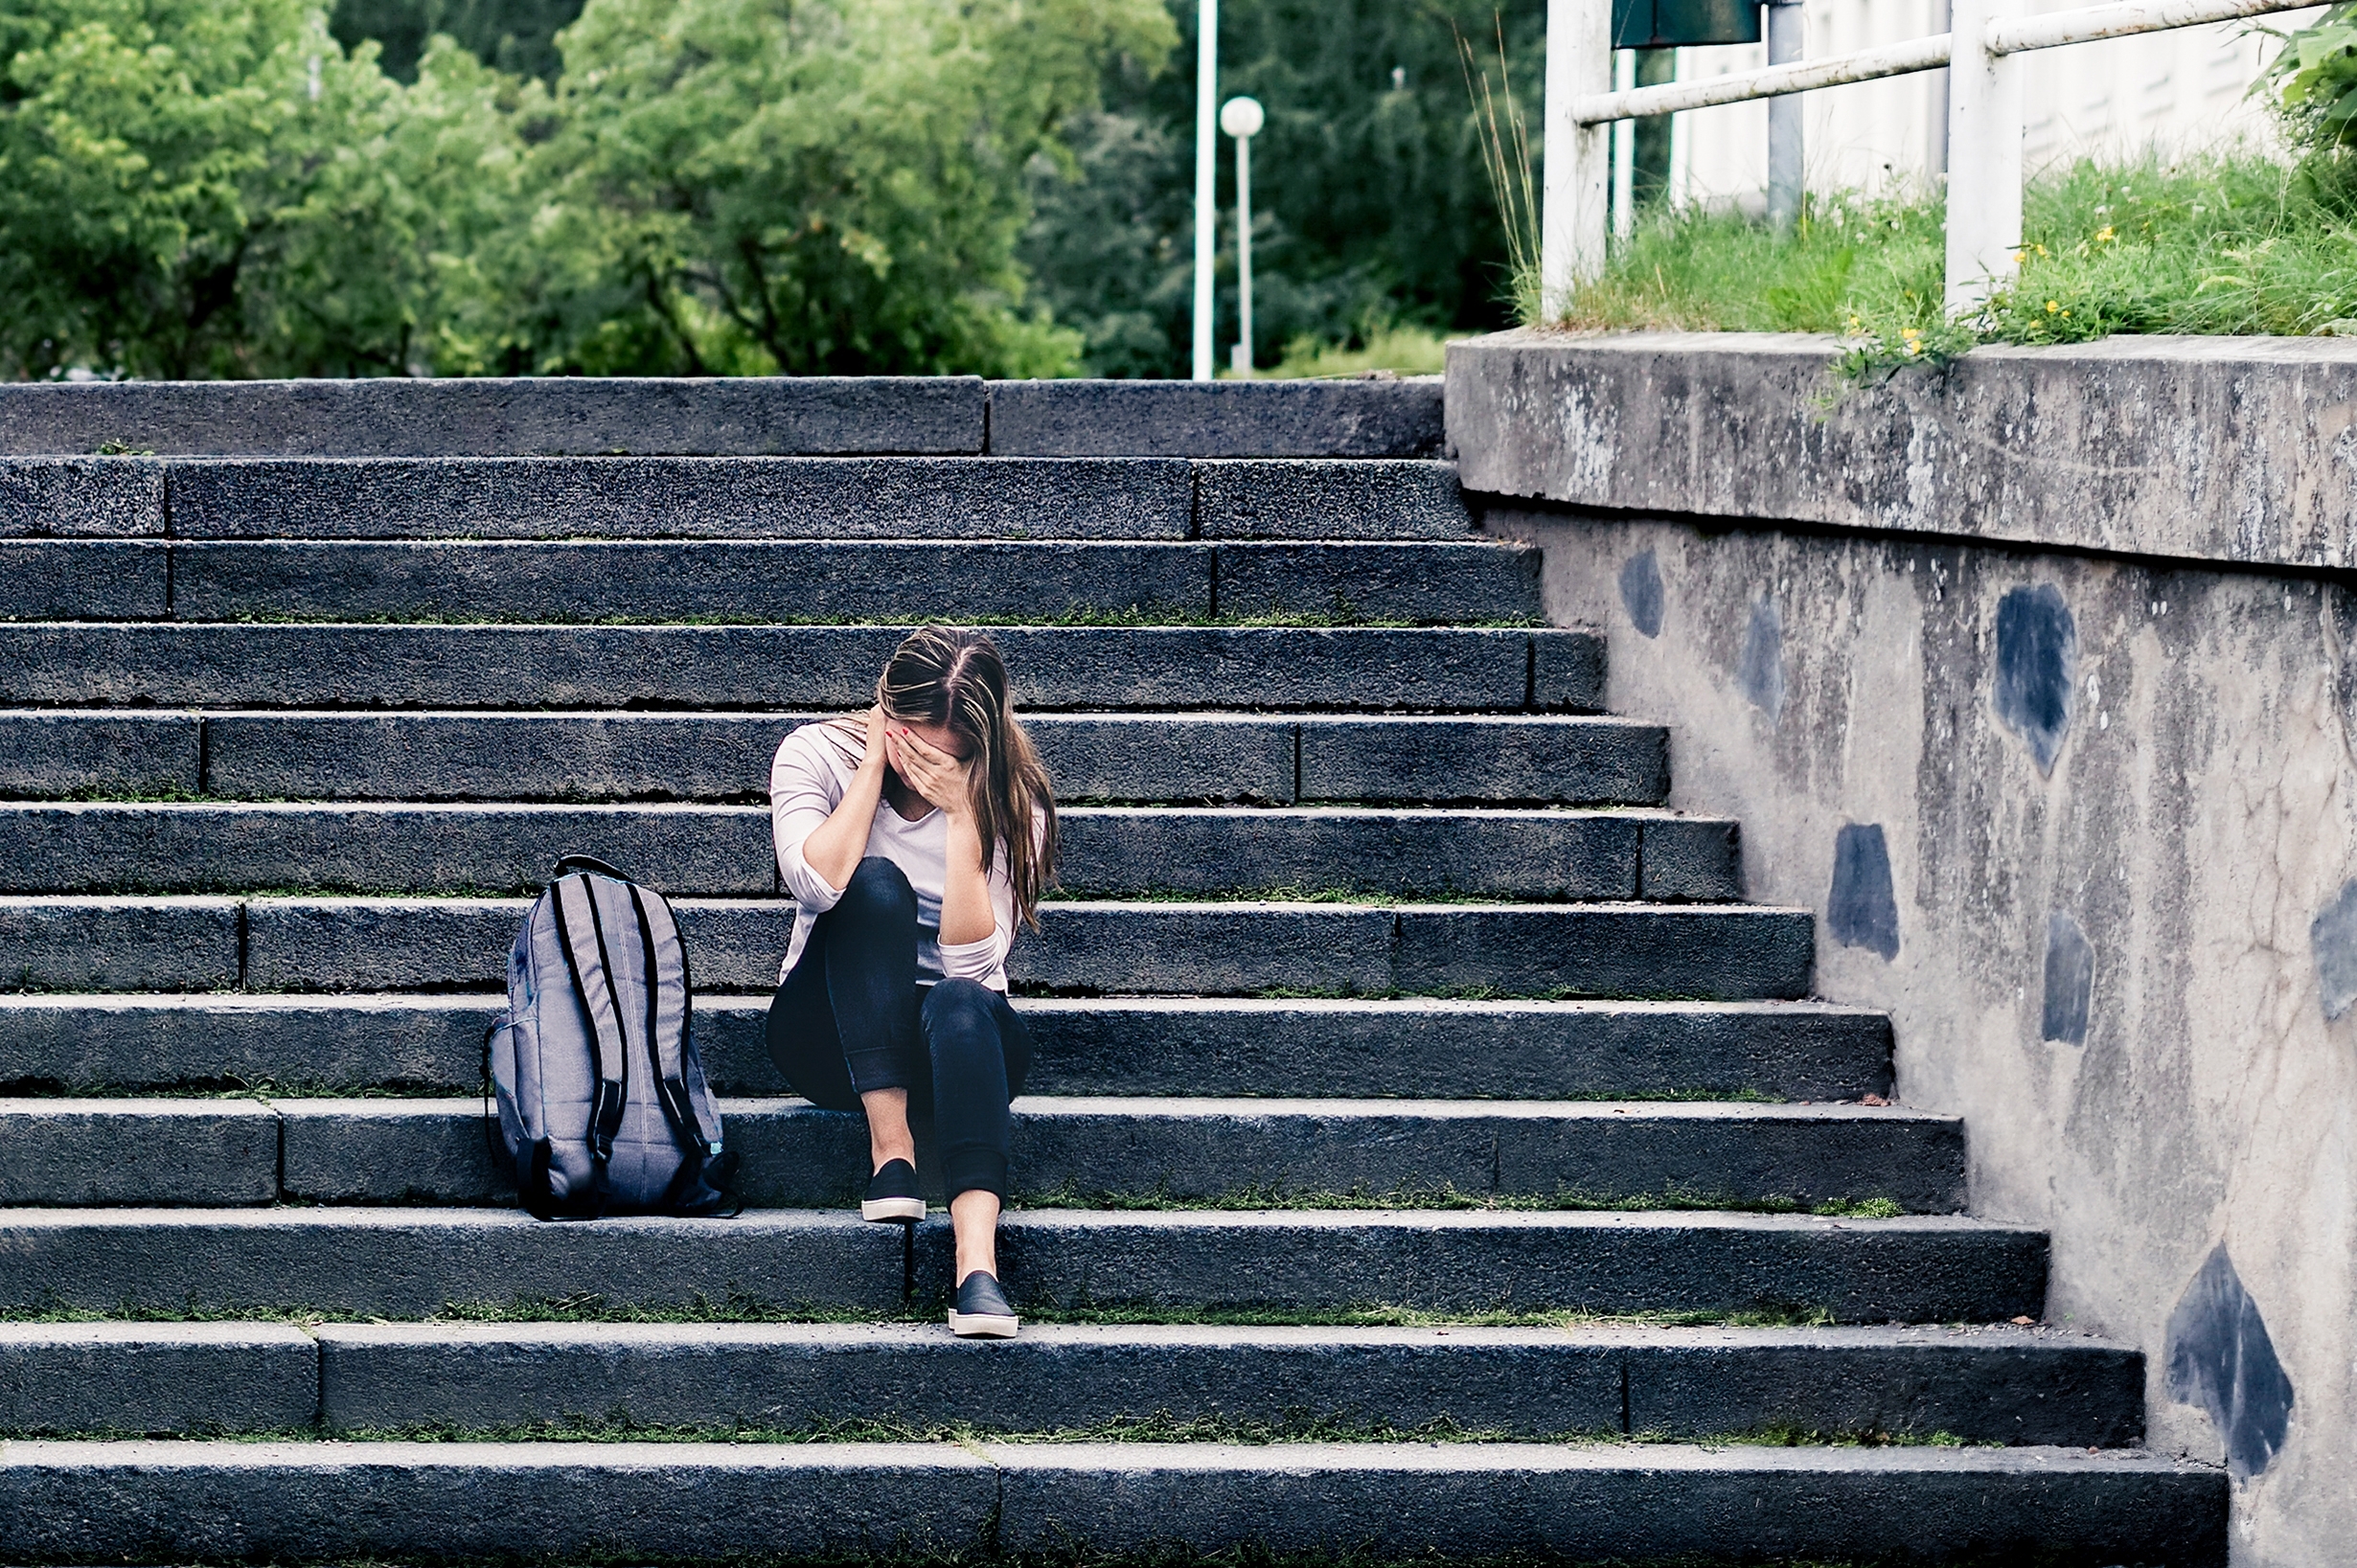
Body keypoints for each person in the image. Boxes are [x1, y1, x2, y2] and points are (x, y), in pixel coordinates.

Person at [764, 625, 1058, 1339]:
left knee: (959, 1000)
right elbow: (815, 882)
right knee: (873, 885)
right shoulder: (813, 754)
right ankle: (891, 1152)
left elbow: (973, 971)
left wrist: (963, 817)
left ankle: (977, 1266)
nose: (924, 768)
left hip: (957, 1046)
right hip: (832, 1037)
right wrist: (871, 766)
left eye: (947, 758)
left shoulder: (1012, 802)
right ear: (885, 710)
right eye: (912, 744)